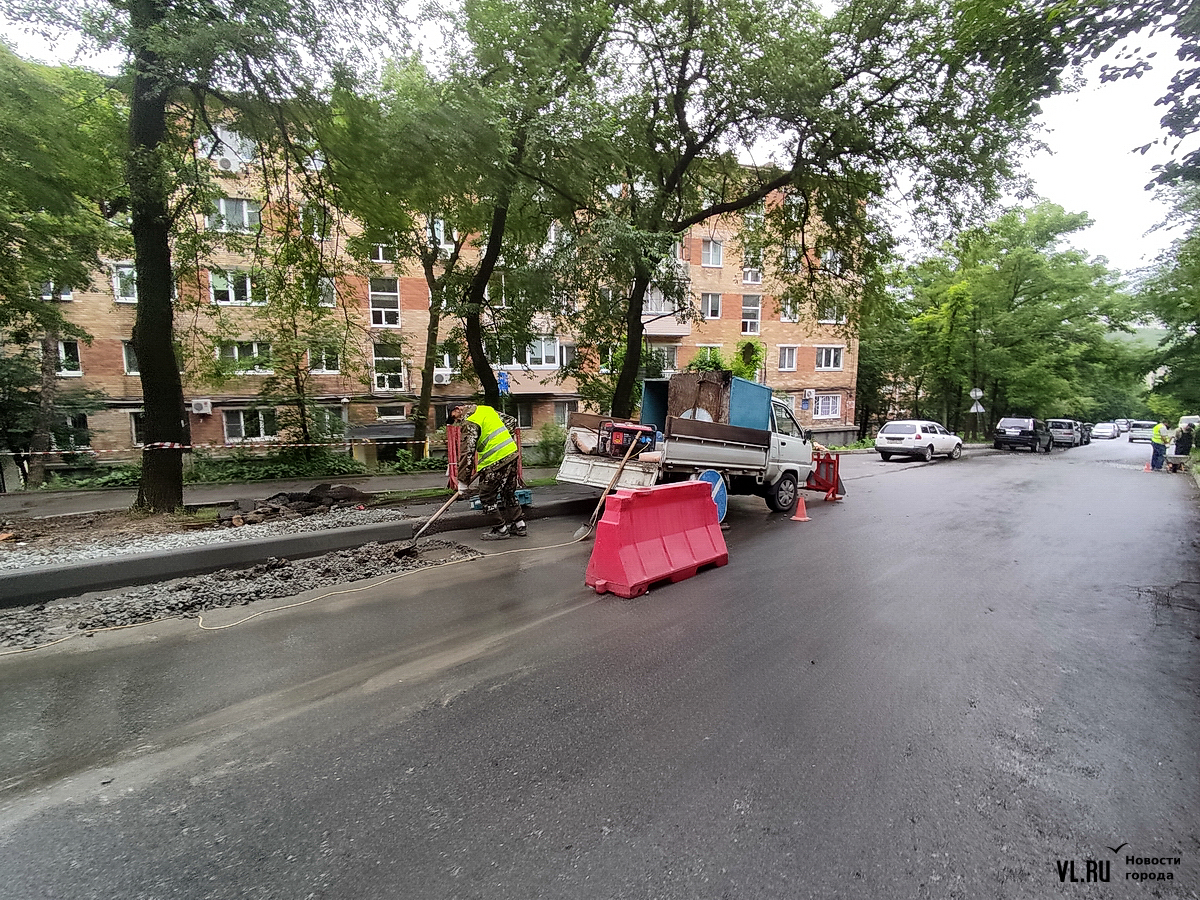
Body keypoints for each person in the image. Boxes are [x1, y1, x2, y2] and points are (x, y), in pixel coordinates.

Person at [450, 403, 527, 540]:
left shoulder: (470, 421)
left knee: (486, 496)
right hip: (511, 453)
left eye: (454, 418)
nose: (456, 422)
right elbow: (511, 420)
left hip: (495, 460)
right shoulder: (486, 409)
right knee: (508, 492)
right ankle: (519, 525)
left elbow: (467, 452)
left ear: (458, 409)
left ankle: (500, 529)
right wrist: (504, 439)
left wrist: (462, 481)